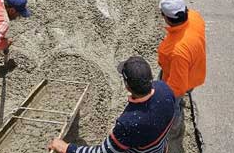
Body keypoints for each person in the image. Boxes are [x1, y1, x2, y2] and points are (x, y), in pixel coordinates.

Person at [48, 56, 176, 153]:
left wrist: (66, 147)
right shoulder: (165, 89)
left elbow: (102, 152)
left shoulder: (128, 124)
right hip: (161, 148)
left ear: (127, 86)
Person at [157, 0, 206, 152]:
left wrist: (164, 98)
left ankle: (173, 130)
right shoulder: (195, 17)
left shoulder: (175, 50)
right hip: (196, 70)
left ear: (167, 18)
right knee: (186, 89)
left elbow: (176, 87)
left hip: (179, 78)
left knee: (174, 105)